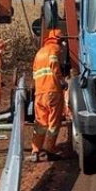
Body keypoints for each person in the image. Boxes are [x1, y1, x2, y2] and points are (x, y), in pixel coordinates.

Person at [31, 29, 65, 162]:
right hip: (53, 91)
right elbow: (54, 66)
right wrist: (61, 82)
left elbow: (34, 72)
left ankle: (35, 150)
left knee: (40, 123)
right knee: (53, 122)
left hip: (40, 93)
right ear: (58, 40)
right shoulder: (54, 49)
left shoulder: (40, 53)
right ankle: (50, 149)